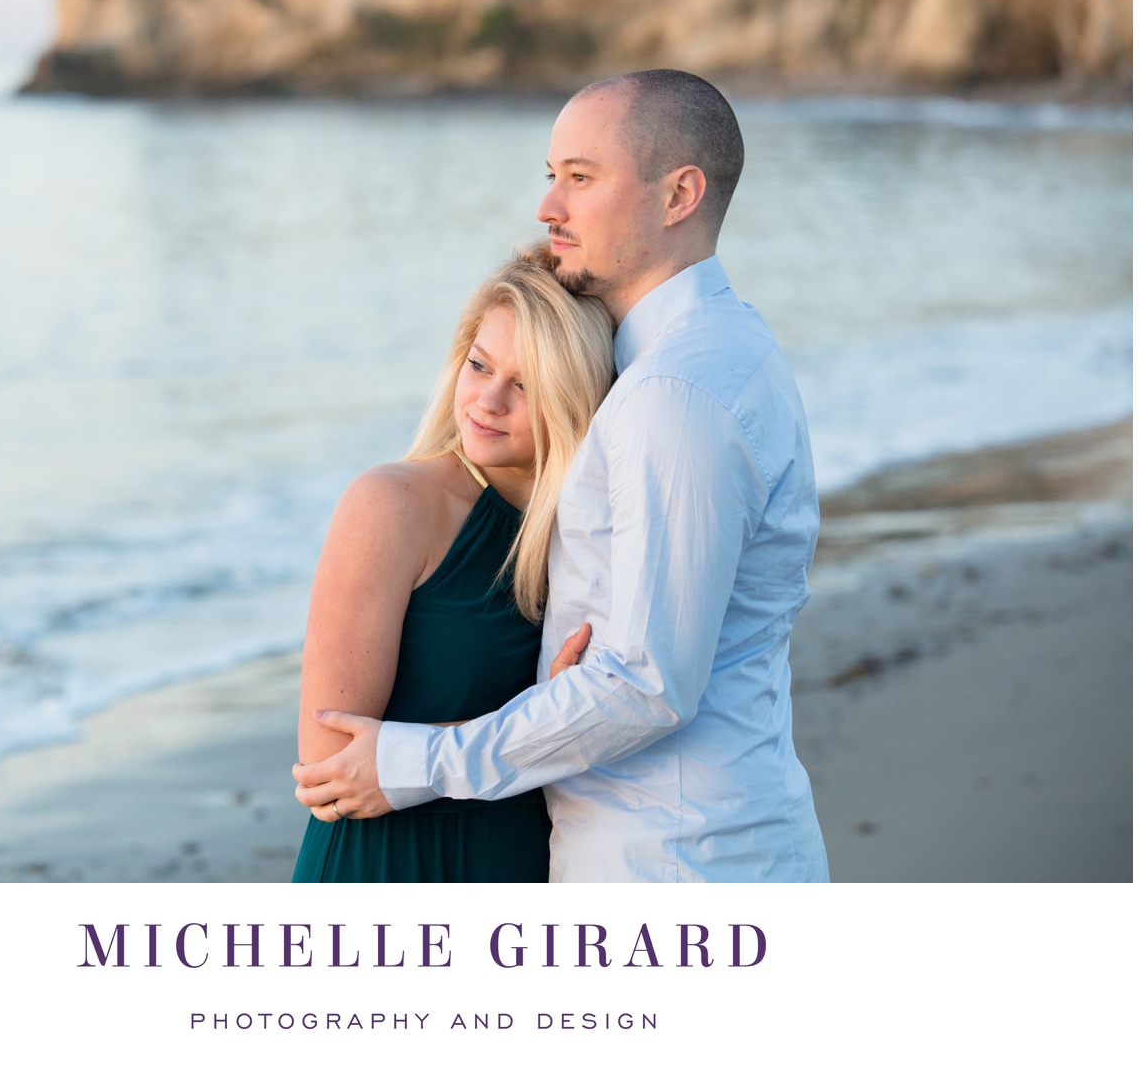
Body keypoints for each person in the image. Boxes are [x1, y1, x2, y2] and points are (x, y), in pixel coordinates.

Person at [292, 70, 829, 885]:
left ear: (679, 195)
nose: (549, 208)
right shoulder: (722, 352)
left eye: (580, 178)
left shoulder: (671, 393)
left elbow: (647, 684)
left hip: (675, 866)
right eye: (552, 177)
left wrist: (419, 758)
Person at [290, 244, 615, 881]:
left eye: (526, 385)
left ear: (575, 397)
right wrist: (551, 719)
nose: (488, 401)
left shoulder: (594, 532)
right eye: (479, 365)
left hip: (526, 863)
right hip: (390, 868)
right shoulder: (392, 505)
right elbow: (326, 767)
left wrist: (556, 724)